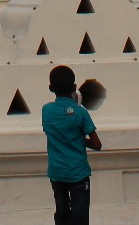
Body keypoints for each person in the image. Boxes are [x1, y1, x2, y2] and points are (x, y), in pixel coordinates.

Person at [42, 65, 100, 225]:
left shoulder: (46, 111)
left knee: (61, 214)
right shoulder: (81, 113)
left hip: (57, 172)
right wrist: (79, 138)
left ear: (50, 88)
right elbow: (97, 144)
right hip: (78, 173)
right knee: (80, 216)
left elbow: (55, 131)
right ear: (74, 87)